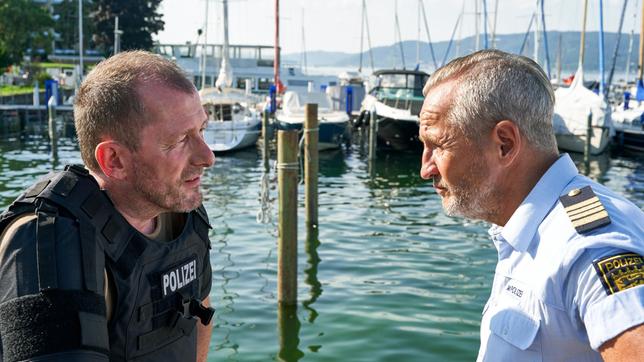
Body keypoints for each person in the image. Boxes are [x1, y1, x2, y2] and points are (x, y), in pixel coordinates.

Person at [419, 49, 644, 361]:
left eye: (438, 146)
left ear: (505, 144)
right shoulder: (531, 230)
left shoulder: (588, 247)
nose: (425, 168)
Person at [0, 50, 216, 361]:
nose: (207, 156)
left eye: (202, 130)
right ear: (114, 160)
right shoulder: (48, 244)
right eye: (180, 140)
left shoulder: (183, 214)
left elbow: (200, 316)